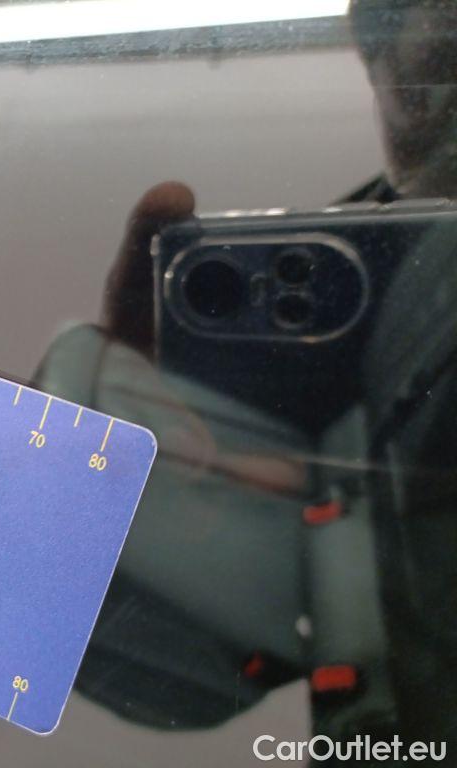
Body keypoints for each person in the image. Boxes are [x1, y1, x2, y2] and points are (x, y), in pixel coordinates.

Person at [35, 0, 457, 748]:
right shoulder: (386, 267)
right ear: (383, 78)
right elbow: (204, 675)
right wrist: (78, 525)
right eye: (436, 68)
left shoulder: (392, 264)